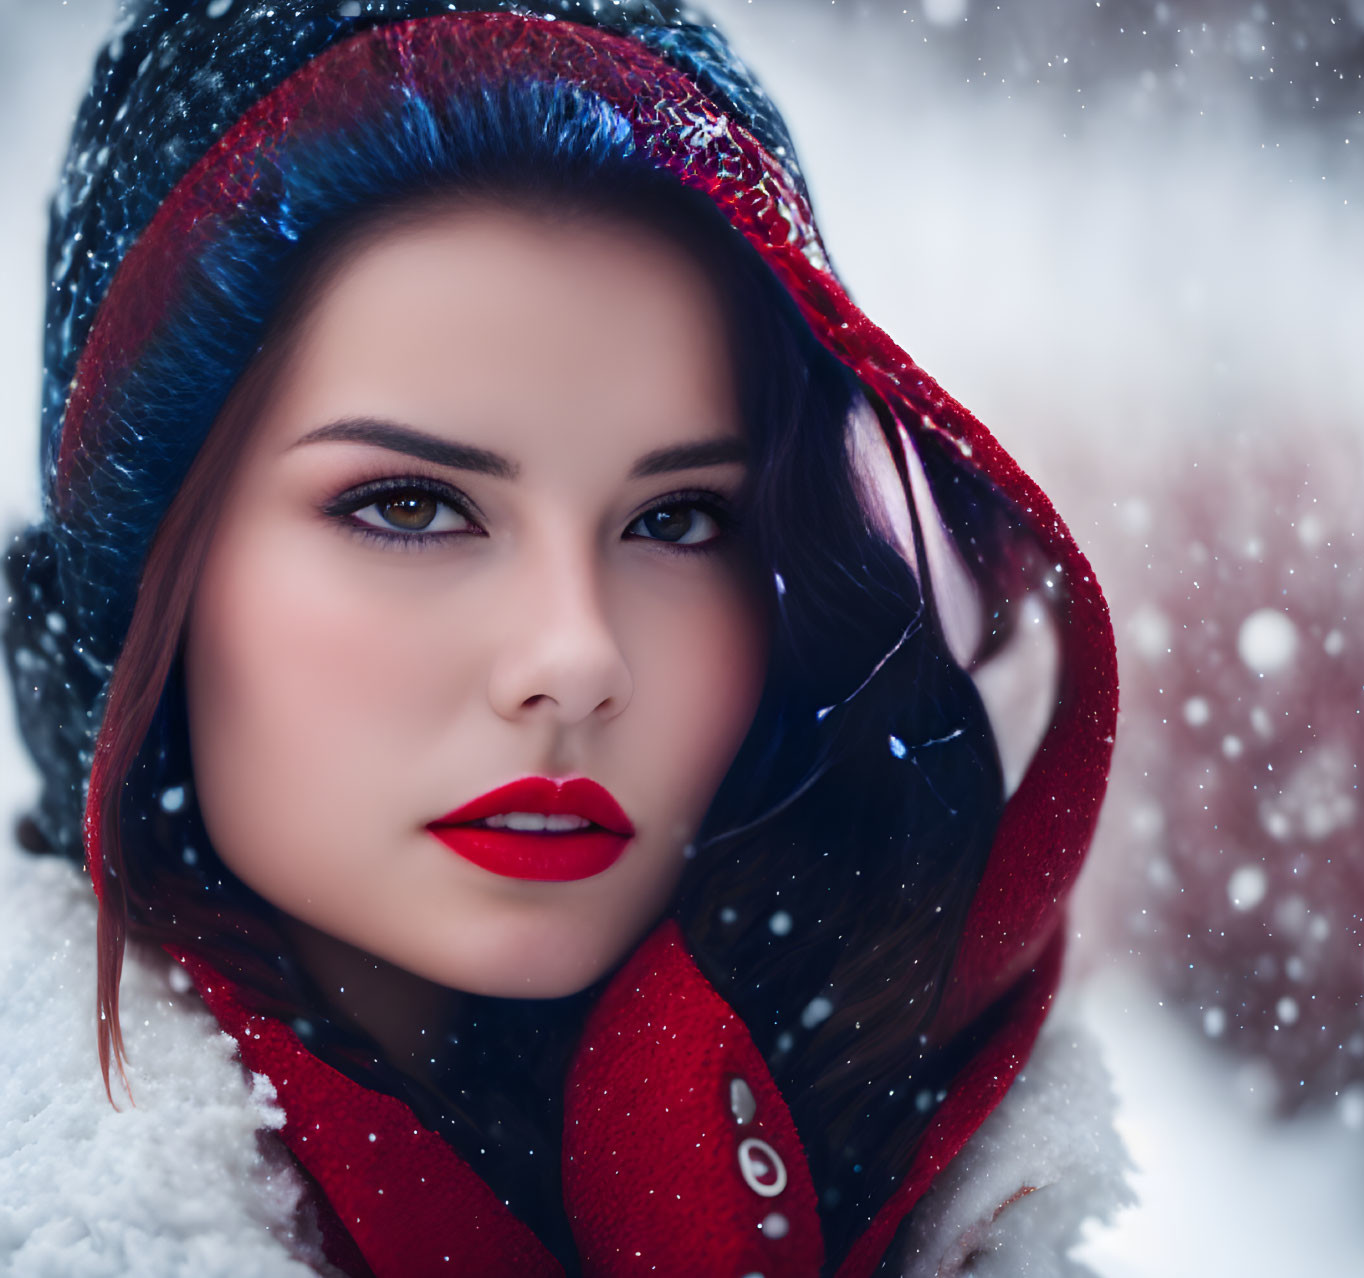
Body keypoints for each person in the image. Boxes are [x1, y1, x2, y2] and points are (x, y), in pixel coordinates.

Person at [0, 3, 1128, 1275]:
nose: (576, 656)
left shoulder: (913, 1156)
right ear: (149, 571)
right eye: (411, 506)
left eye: (678, 517)